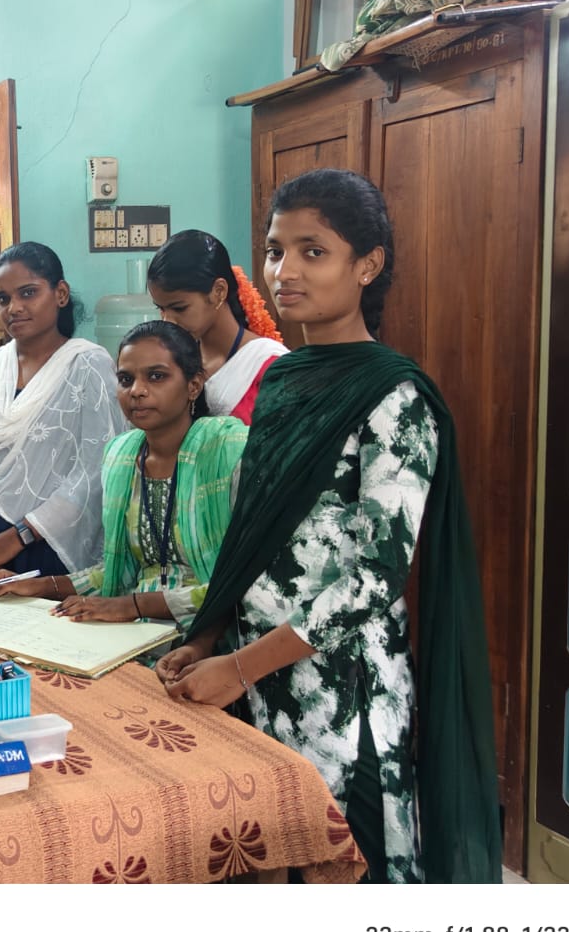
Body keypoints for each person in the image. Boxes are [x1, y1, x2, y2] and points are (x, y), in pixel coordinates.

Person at [156, 169, 500, 884]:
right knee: (267, 863)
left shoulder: (394, 395)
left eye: (313, 252)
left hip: (341, 689)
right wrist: (209, 638)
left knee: (345, 865)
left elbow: (375, 576)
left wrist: (239, 667)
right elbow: (256, 529)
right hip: (253, 670)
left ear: (367, 265)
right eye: (276, 251)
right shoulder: (286, 377)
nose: (285, 271)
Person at [0, 320, 245, 632]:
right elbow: (115, 573)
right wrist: (37, 586)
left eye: (156, 376)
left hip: (214, 635)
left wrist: (132, 606)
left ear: (193, 385)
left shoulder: (227, 451)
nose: (137, 391)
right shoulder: (122, 457)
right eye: (125, 379)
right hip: (136, 632)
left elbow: (244, 578)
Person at [0, 242, 126, 586]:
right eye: (3, 298)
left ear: (60, 294)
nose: (14, 308)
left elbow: (95, 472)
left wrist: (17, 538)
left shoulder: (89, 365)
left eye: (28, 293)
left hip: (50, 554)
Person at [147, 229, 287, 425]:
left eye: (179, 308)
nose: (168, 321)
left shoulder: (271, 366)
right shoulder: (176, 360)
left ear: (219, 292)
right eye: (161, 309)